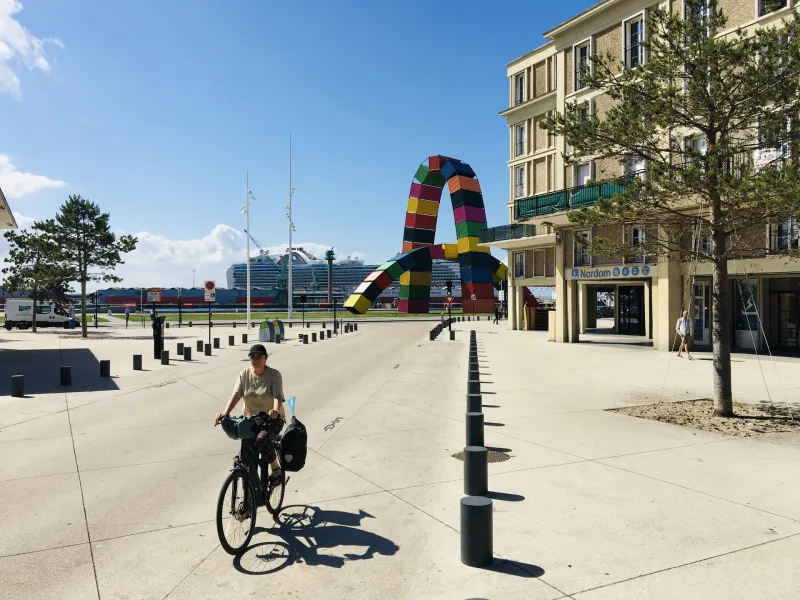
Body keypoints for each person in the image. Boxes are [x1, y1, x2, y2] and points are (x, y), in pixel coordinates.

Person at [214, 344, 286, 482]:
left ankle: (276, 469)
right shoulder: (244, 374)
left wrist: (275, 410)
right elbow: (235, 395)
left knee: (262, 439)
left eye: (259, 356)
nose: (256, 359)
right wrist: (225, 414)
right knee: (245, 458)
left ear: (266, 358)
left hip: (272, 419)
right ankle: (250, 496)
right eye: (253, 357)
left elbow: (277, 395)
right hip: (250, 420)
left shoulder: (274, 375)